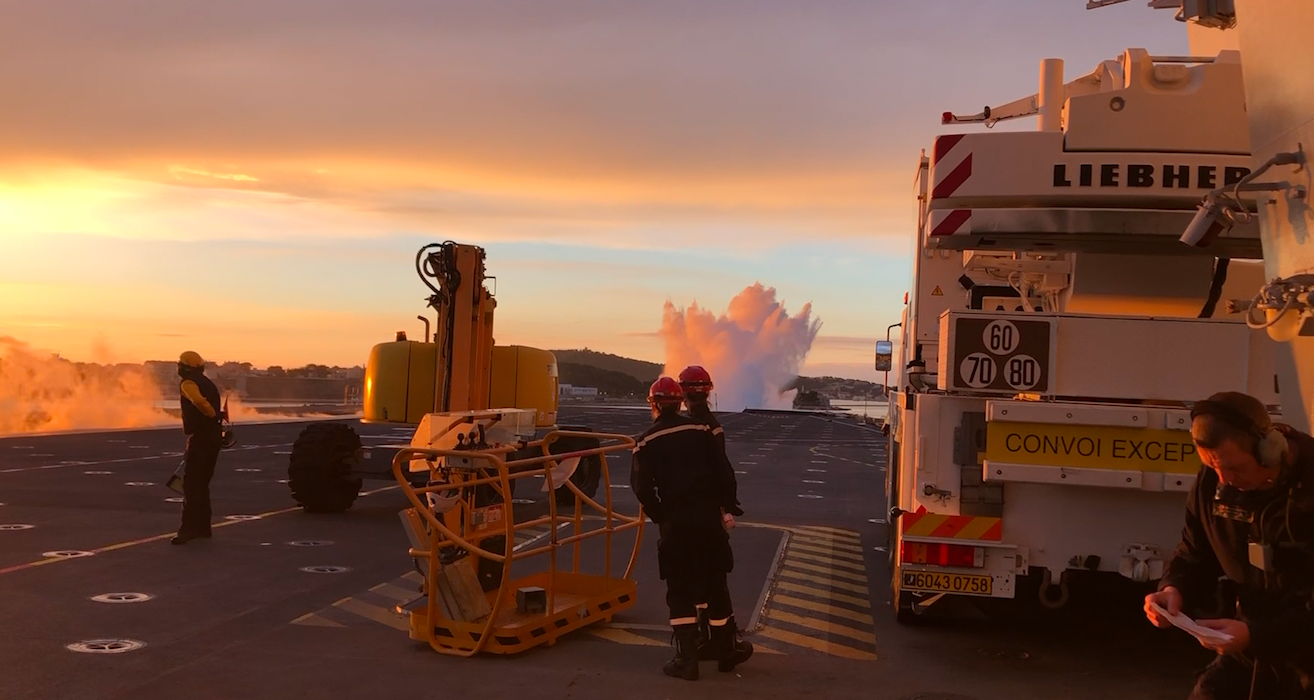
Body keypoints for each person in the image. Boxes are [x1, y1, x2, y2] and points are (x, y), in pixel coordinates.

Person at [1143, 391, 1314, 699]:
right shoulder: (1215, 480)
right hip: (1249, 646)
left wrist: (1257, 635)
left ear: (1269, 449)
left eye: (1235, 468)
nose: (1225, 479)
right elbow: (1194, 551)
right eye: (1213, 466)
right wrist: (1173, 589)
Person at [631, 376, 751, 681]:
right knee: (715, 584)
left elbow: (642, 489)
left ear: (655, 404)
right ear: (680, 400)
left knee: (680, 589)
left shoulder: (645, 441)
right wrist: (727, 504)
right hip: (709, 520)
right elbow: (724, 470)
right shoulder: (701, 430)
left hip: (677, 524)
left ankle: (687, 658)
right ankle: (726, 652)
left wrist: (661, 516)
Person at [678, 365, 743, 658]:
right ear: (709, 390)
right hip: (708, 514)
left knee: (693, 580)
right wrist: (729, 506)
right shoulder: (712, 427)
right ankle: (725, 644)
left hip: (681, 516)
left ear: (683, 393)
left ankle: (699, 641)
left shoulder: (679, 428)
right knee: (715, 578)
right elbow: (723, 472)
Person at [174, 351, 225, 545]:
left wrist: (210, 414)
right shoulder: (208, 383)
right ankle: (204, 528)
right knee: (203, 483)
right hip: (213, 437)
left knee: (192, 484)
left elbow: (198, 401)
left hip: (201, 437)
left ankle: (188, 529)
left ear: (186, 367)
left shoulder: (188, 383)